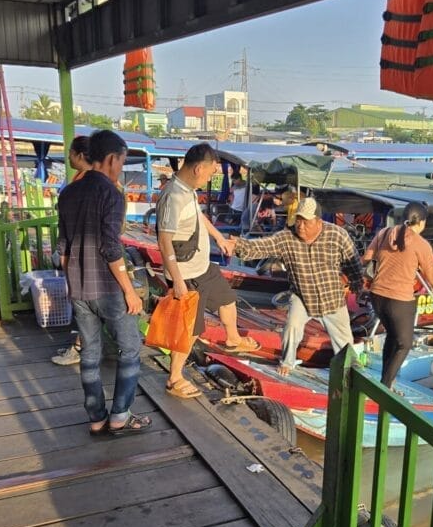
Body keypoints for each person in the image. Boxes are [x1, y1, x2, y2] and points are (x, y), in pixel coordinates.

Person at [57, 130, 150, 437]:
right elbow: (111, 247)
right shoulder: (111, 194)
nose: (121, 167)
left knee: (90, 353)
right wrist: (129, 291)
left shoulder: (68, 193)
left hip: (79, 289)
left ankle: (96, 417)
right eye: (122, 161)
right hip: (109, 289)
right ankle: (121, 414)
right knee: (130, 349)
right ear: (112, 159)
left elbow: (63, 250)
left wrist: (72, 283)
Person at [156, 142, 260, 399]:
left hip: (202, 266)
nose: (211, 177)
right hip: (186, 273)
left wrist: (220, 238)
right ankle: (175, 378)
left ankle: (233, 338)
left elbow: (200, 218)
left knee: (227, 299)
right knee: (190, 328)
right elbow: (164, 239)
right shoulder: (173, 196)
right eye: (211, 173)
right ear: (198, 168)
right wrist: (177, 281)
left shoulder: (188, 190)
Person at [224, 197, 365, 375]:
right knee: (292, 327)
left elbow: (353, 263)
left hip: (331, 297)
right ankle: (287, 362)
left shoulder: (337, 235)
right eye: (298, 219)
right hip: (302, 295)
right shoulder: (287, 237)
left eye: (305, 221)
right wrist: (238, 245)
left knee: (344, 342)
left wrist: (357, 282)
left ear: (318, 221)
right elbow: (261, 247)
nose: (300, 225)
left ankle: (350, 372)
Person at [363, 201, 433, 391]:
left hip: (377, 298)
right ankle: (385, 387)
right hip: (399, 301)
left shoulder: (384, 233)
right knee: (405, 343)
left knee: (393, 337)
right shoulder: (421, 245)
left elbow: (366, 259)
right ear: (422, 223)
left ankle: (388, 381)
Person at [51, 136, 92, 366]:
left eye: (70, 153)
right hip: (78, 251)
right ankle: (80, 344)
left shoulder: (83, 184)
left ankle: (80, 346)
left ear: (79, 155)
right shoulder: (82, 180)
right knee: (82, 305)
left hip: (82, 253)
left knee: (84, 306)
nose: (68, 157)